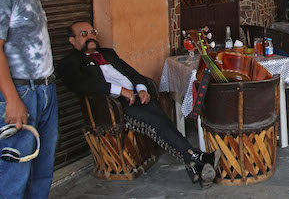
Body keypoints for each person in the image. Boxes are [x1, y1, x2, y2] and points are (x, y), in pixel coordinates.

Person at [57, 22, 221, 188]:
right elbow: (84, 85)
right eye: (84, 33)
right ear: (72, 40)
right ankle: (199, 158)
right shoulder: (70, 63)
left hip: (136, 98)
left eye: (92, 32)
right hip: (115, 106)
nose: (91, 36)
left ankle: (195, 166)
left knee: (164, 122)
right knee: (157, 123)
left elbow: (132, 73)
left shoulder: (107, 53)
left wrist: (141, 89)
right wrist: (120, 91)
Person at [0, 0, 57, 198]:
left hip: (44, 91)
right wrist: (11, 99)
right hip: (20, 93)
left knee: (42, 169)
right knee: (15, 171)